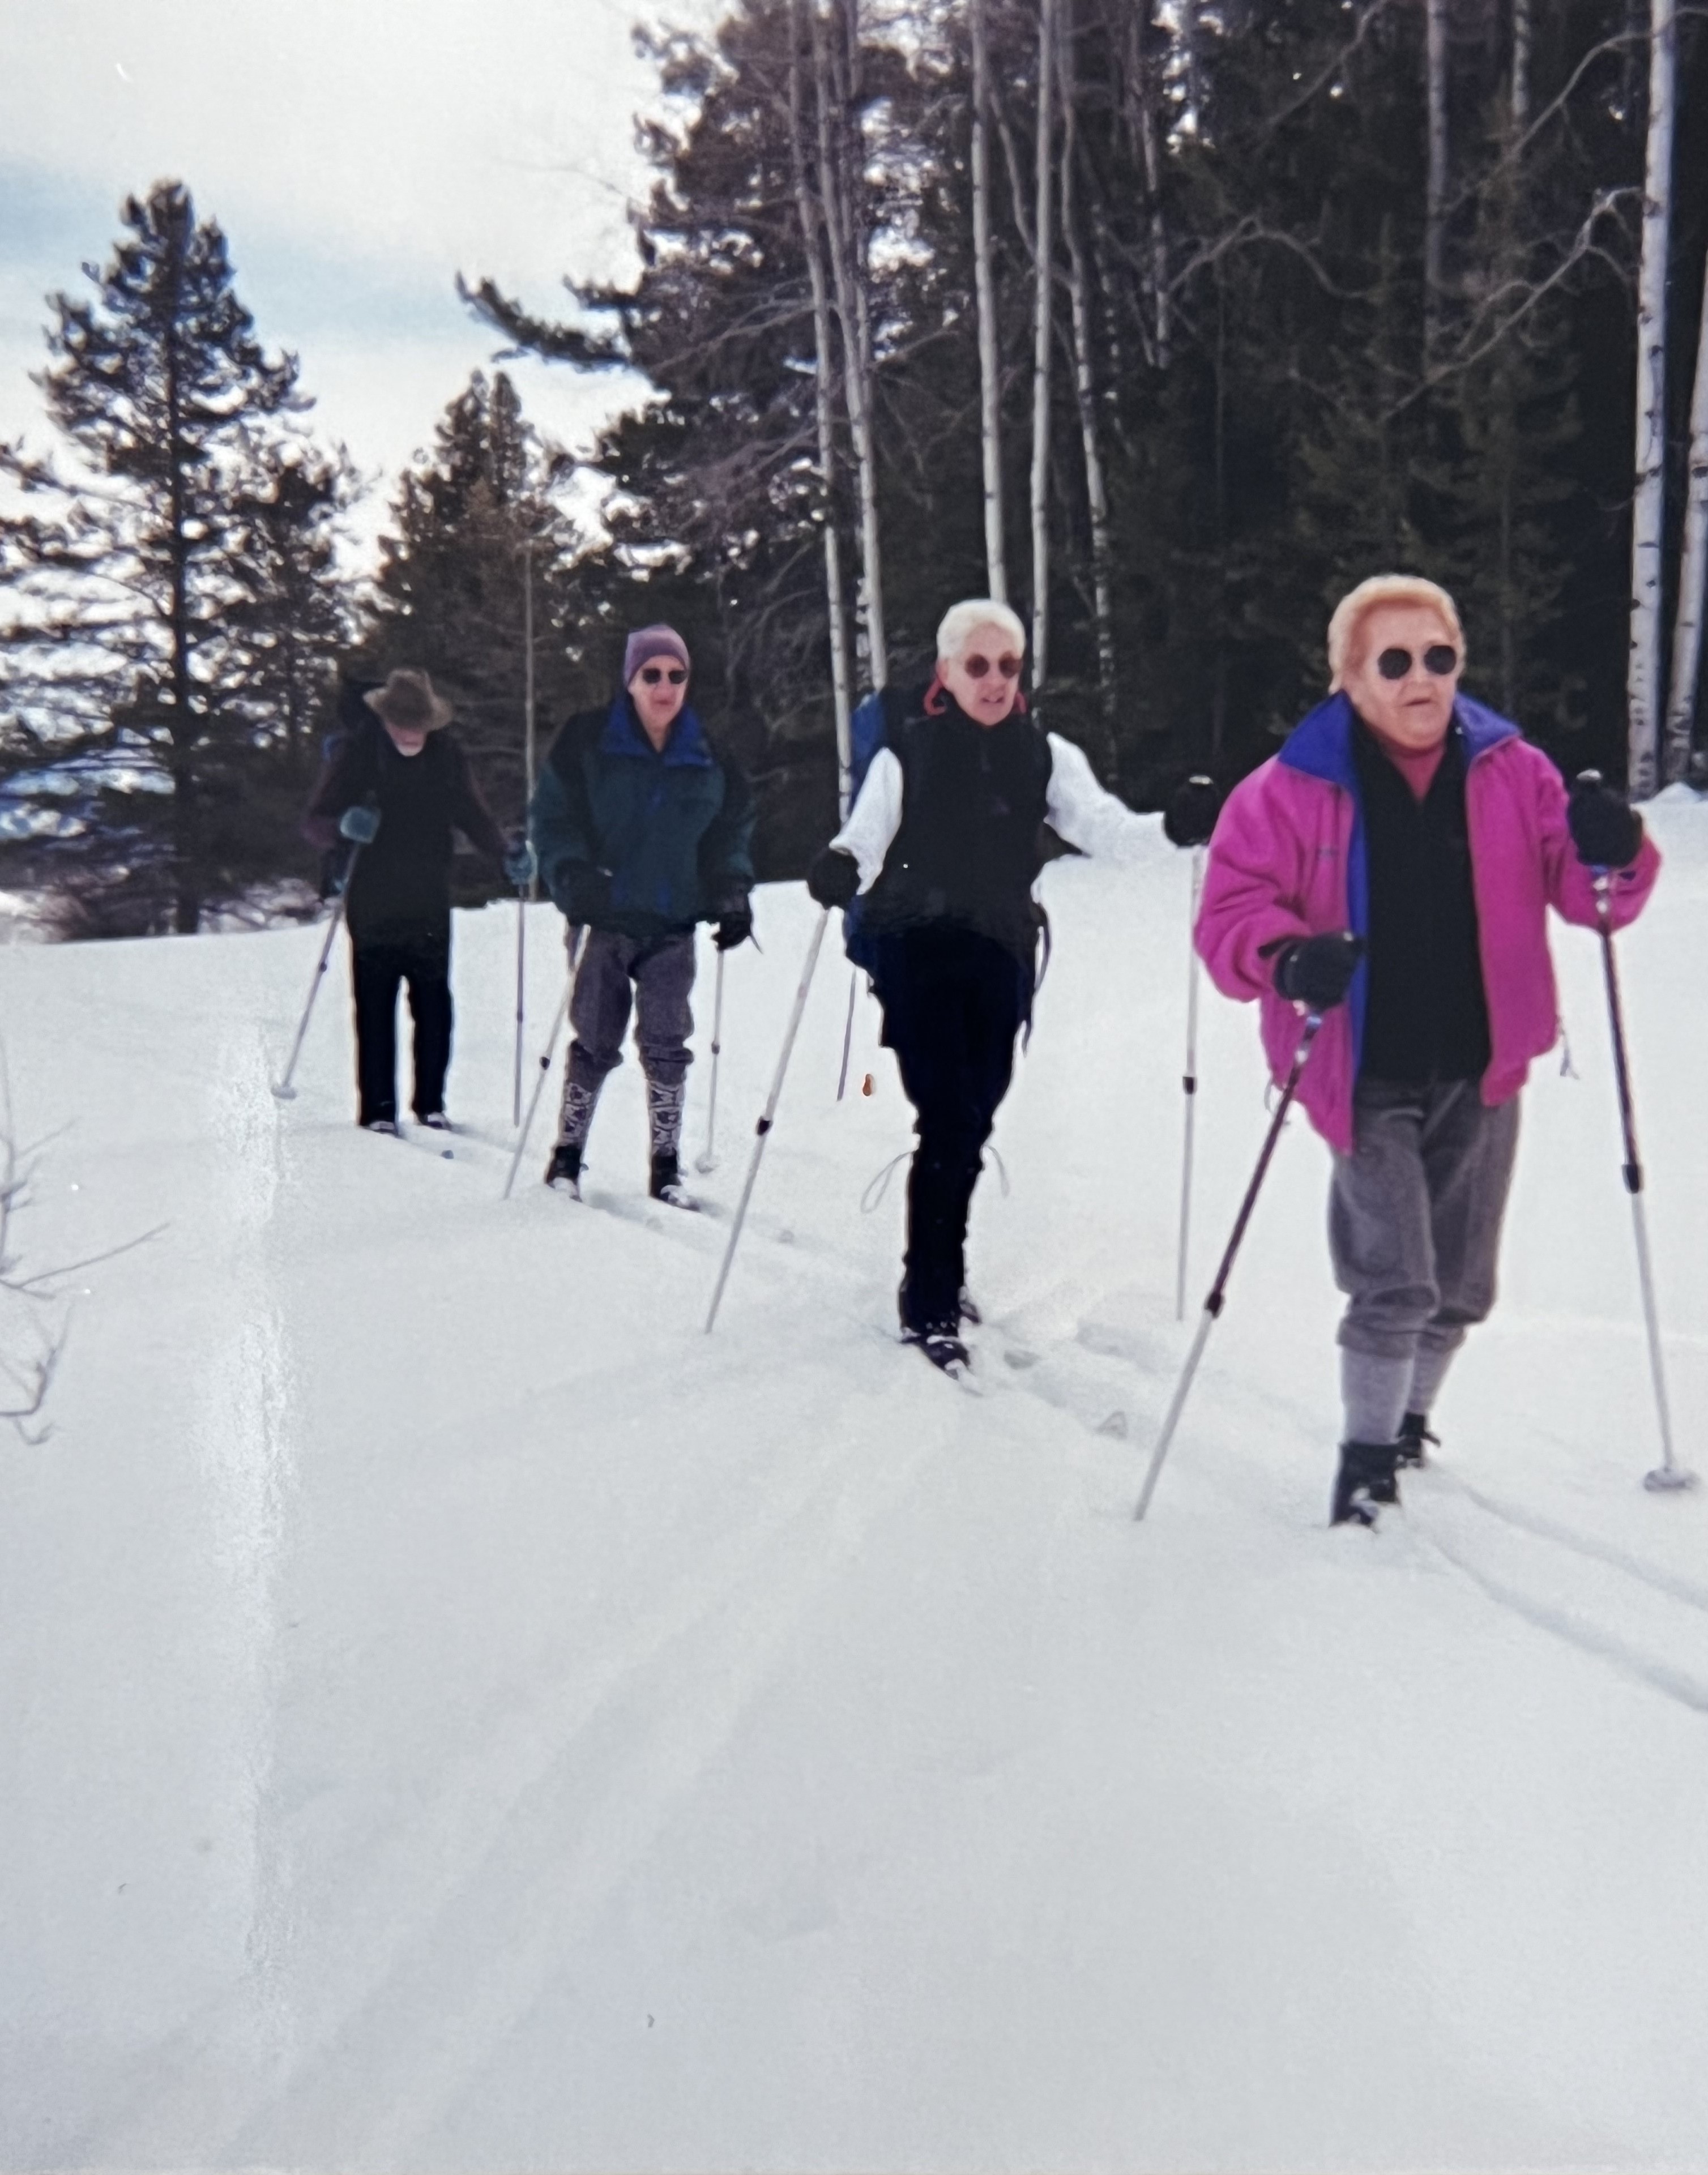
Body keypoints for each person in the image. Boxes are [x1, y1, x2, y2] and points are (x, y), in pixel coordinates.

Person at [1195, 574, 1661, 1526]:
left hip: (1481, 1063)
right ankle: (1365, 1466)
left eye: (1439, 657)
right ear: (1349, 678)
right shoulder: (1285, 789)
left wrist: (1616, 847)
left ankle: (1407, 1422)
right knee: (1396, 1278)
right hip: (1358, 1067)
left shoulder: (1514, 771)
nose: (1422, 679)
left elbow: (1592, 895)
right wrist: (1288, 958)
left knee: (1459, 1285)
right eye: (1395, 661)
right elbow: (1231, 915)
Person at [806, 597, 1151, 1376]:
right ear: (947, 672)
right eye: (978, 666)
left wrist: (1180, 827)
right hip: (918, 949)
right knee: (949, 1117)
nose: (995, 680)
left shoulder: (1042, 753)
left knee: (975, 1115)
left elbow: (1105, 828)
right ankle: (928, 1297)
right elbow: (866, 833)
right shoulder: (909, 751)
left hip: (1000, 951)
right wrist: (840, 865)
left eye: (1008, 666)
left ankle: (944, 1271)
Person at [530, 624, 756, 1208]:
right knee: (595, 1038)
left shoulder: (708, 752)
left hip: (672, 921)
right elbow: (552, 817)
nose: (664, 686)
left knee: (666, 1042)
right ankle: (567, 1156)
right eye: (651, 674)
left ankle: (666, 1166)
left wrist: (731, 887)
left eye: (676, 675)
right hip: (603, 916)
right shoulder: (588, 740)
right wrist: (571, 872)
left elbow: (730, 828)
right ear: (630, 680)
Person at [303, 666, 532, 1134]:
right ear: (385, 719)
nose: (411, 733)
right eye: (402, 723)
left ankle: (431, 1104)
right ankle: (379, 1109)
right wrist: (343, 825)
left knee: (434, 1004)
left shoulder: (447, 755)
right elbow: (315, 821)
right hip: (372, 895)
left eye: (419, 725)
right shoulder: (359, 752)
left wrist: (505, 852)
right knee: (375, 1004)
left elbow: (473, 814)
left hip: (428, 894)